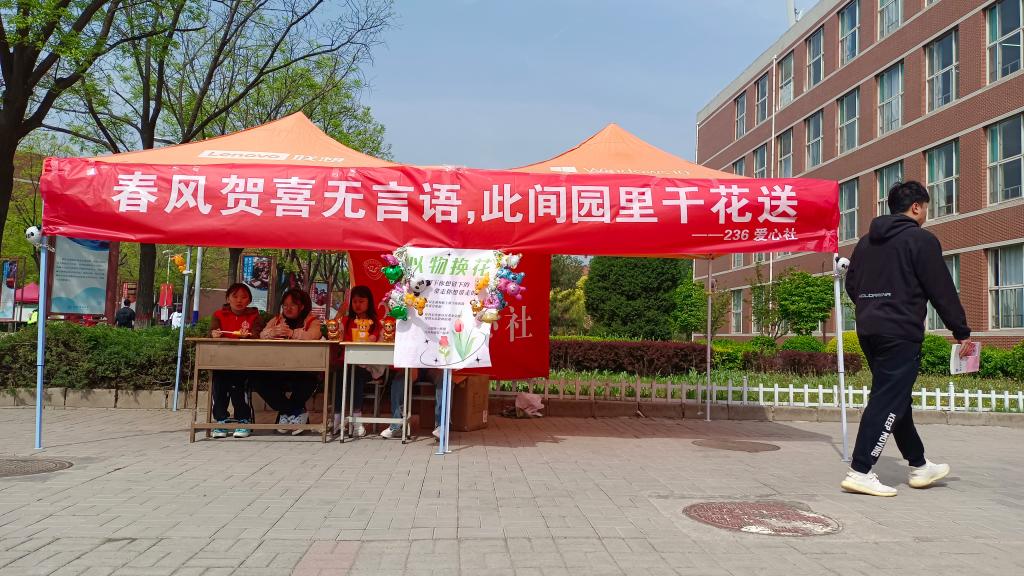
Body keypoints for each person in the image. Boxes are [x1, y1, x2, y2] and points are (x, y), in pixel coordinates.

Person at [841, 181, 973, 497]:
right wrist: (961, 331)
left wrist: (871, 308)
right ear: (916, 207)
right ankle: (860, 470)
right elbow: (940, 288)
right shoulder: (921, 240)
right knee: (887, 399)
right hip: (900, 333)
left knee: (896, 398)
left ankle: (919, 464)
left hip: (869, 330)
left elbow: (852, 284)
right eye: (926, 207)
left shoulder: (865, 243)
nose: (926, 213)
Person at [255, 288, 322, 435]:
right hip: (277, 368)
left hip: (304, 369)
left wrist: (292, 333)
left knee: (308, 381)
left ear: (302, 306)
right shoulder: (277, 320)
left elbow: (313, 336)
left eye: (292, 305)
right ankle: (295, 412)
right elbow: (262, 334)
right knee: (258, 380)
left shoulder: (312, 321)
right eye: (285, 305)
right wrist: (271, 333)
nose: (287, 308)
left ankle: (287, 415)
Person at [209, 283, 265, 439]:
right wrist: (214, 334)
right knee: (219, 387)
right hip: (221, 361)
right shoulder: (218, 315)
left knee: (238, 388)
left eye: (244, 297)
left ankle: (243, 419)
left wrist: (249, 336)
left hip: (244, 362)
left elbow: (258, 334)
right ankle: (221, 420)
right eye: (235, 296)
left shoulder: (255, 316)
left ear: (249, 300)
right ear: (228, 298)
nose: (239, 300)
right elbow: (212, 332)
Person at [334, 285, 380, 437]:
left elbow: (374, 339)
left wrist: (368, 338)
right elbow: (333, 331)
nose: (357, 305)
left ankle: (357, 419)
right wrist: (340, 313)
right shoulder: (346, 321)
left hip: (366, 366)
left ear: (369, 302)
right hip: (346, 365)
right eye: (354, 301)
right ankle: (337, 419)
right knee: (341, 373)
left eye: (361, 301)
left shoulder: (375, 323)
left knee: (356, 373)